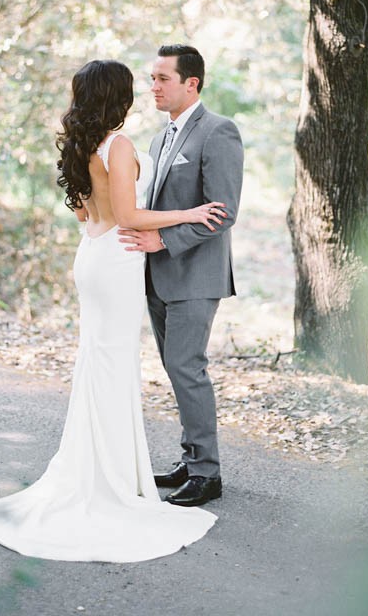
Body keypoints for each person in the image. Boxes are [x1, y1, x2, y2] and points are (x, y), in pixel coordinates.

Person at [0, 59, 227, 563]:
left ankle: (106, 471)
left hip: (92, 254)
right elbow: (129, 216)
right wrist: (190, 213)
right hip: (117, 258)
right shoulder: (121, 144)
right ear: (118, 96)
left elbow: (84, 210)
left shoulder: (82, 143)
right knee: (110, 368)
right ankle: (106, 482)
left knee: (99, 364)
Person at [119, 44, 244, 508]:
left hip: (194, 275)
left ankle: (207, 474)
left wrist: (165, 242)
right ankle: (191, 460)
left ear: (191, 83)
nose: (153, 87)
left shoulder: (219, 132)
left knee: (188, 370)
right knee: (176, 371)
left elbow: (223, 212)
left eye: (162, 79)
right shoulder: (159, 138)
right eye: (152, 78)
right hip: (156, 276)